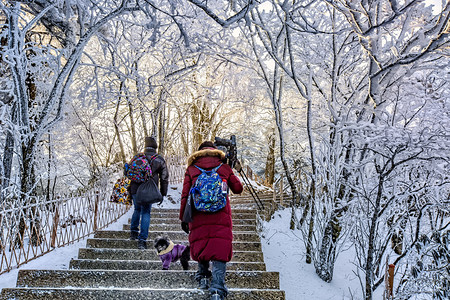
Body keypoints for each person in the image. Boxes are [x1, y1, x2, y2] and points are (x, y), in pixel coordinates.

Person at [179, 141, 243, 300]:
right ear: (216, 152)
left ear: (199, 153)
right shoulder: (223, 167)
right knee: (219, 249)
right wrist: (230, 171)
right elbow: (238, 189)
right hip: (220, 215)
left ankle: (203, 278)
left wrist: (183, 218)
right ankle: (217, 289)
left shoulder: (192, 169)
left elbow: (185, 195)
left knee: (202, 244)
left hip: (198, 214)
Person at [129, 136, 169, 250]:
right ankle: (142, 240)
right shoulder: (159, 159)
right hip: (149, 190)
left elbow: (129, 171)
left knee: (137, 209)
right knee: (146, 212)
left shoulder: (137, 157)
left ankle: (133, 233)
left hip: (135, 189)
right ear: (155, 147)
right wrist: (163, 192)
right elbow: (164, 177)